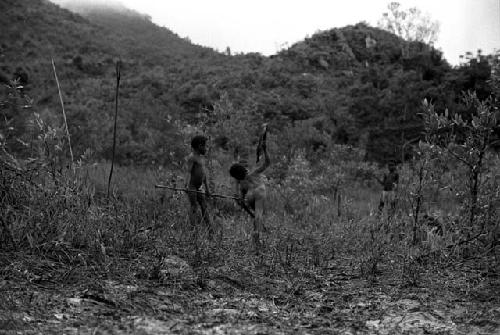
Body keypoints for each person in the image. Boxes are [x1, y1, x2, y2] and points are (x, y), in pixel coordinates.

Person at [229, 128, 270, 247]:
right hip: (259, 192)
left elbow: (241, 200)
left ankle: (256, 235)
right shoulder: (254, 172)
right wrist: (265, 150)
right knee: (258, 216)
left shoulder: (241, 183)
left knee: (257, 217)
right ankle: (256, 240)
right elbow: (267, 163)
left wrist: (240, 199)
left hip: (250, 196)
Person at [184, 135, 211, 230]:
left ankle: (210, 229)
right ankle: (193, 229)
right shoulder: (192, 157)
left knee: (204, 206)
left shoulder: (201, 158)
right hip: (192, 186)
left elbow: (204, 175)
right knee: (194, 207)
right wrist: (186, 185)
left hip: (199, 187)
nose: (206, 148)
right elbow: (188, 172)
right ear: (200, 146)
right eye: (205, 146)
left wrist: (207, 189)